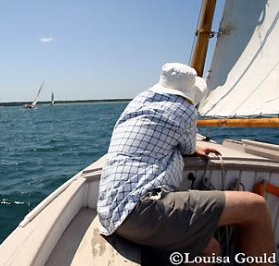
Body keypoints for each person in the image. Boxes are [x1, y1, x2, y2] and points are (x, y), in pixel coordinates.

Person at [97, 63, 274, 263]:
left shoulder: (139, 101)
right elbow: (188, 147)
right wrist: (193, 148)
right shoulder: (184, 110)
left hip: (112, 213)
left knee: (210, 248)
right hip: (140, 211)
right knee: (255, 206)